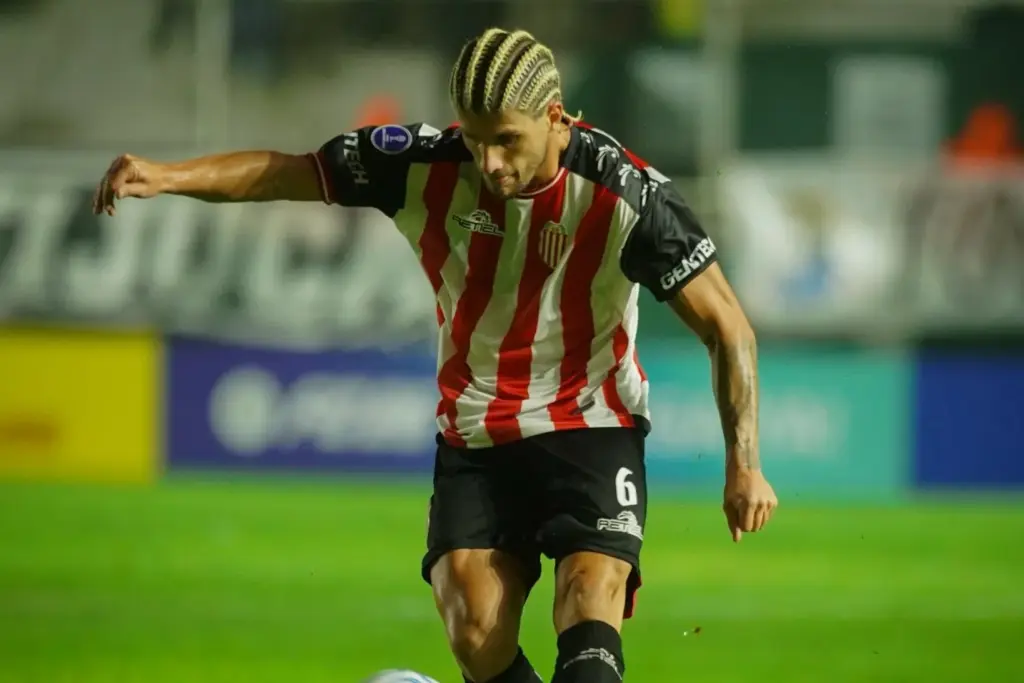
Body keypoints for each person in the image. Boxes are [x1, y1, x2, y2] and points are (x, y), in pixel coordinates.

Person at [93, 27, 778, 683]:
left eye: (507, 140)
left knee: (587, 597)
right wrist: (167, 175)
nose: (490, 162)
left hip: (591, 423)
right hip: (477, 429)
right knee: (475, 632)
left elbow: (728, 328)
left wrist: (743, 464)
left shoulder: (628, 194)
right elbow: (291, 172)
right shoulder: (420, 164)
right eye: (475, 139)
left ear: (555, 117)